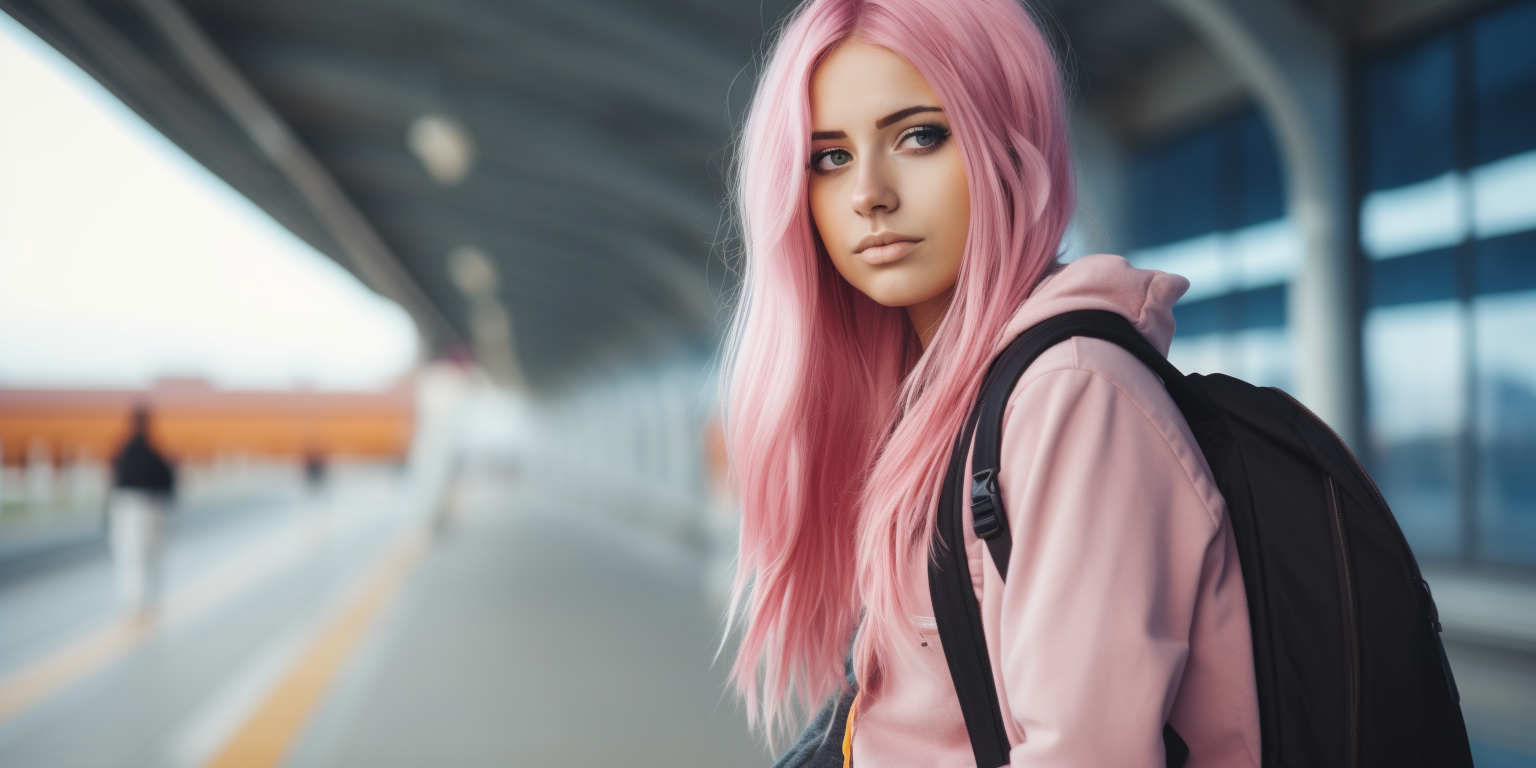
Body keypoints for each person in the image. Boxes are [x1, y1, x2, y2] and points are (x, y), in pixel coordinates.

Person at [722, 1, 1260, 765]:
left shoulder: (1069, 397)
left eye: (920, 136)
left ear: (1009, 147)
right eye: (830, 157)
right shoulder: (937, 399)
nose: (867, 192)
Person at [110, 405, 175, 616]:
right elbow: (168, 482)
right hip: (144, 509)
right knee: (143, 557)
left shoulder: (125, 451)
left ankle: (137, 603)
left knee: (133, 557)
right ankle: (142, 602)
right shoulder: (150, 451)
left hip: (129, 509)